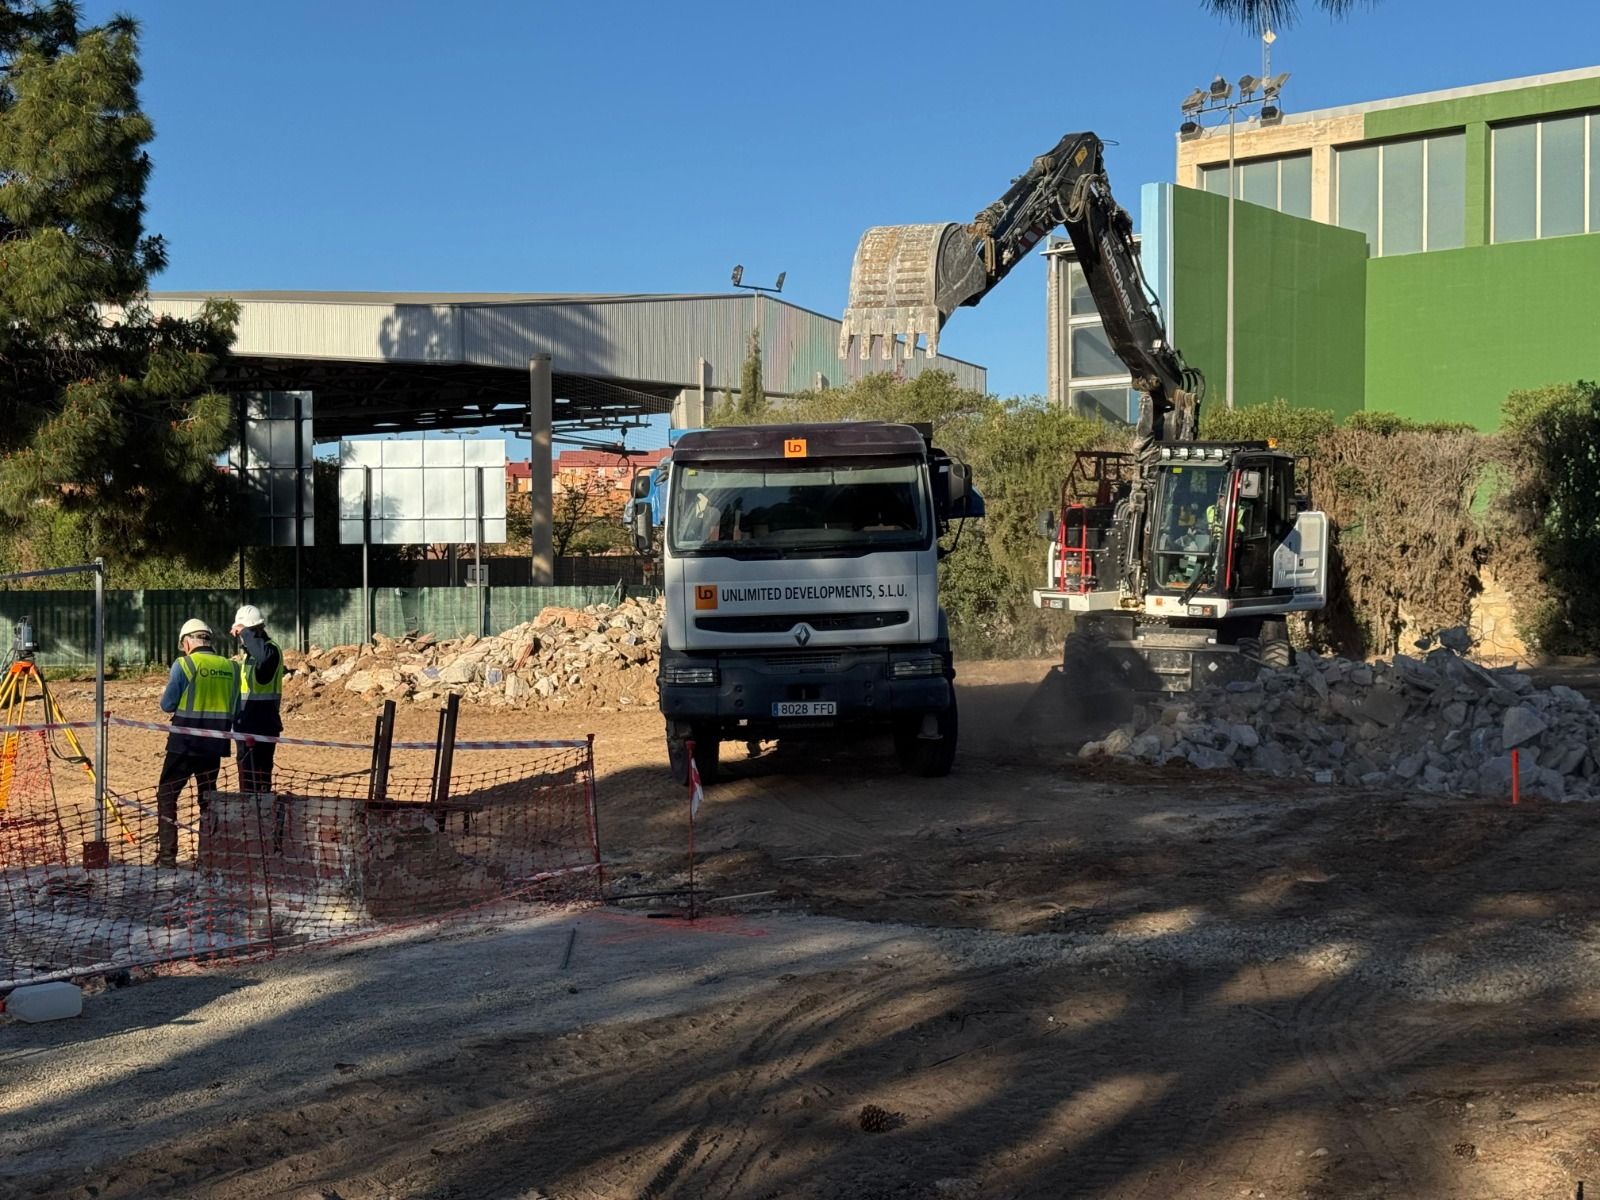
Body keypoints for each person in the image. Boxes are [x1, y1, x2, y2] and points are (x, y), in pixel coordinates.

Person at [155, 619, 240, 867]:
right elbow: (235, 709)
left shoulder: (185, 664)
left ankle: (168, 857)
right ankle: (207, 857)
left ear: (188, 642)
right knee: (208, 799)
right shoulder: (231, 668)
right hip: (214, 746)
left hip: (184, 744)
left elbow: (167, 705)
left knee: (167, 795)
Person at [231, 604, 284, 793]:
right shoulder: (250, 655)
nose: (241, 638)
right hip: (245, 723)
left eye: (244, 633)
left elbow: (263, 657)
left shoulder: (270, 651)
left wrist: (245, 632)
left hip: (263, 722)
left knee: (261, 774)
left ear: (254, 630)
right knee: (246, 777)